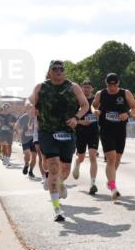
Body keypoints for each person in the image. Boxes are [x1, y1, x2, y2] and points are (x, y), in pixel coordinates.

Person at [28, 60, 89, 222]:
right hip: (47, 131)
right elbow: (29, 100)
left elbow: (84, 105)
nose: (59, 71)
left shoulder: (73, 87)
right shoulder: (41, 87)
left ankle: (60, 182)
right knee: (54, 167)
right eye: (55, 69)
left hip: (68, 132)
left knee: (65, 169)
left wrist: (77, 118)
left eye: (61, 69)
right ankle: (57, 209)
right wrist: (31, 107)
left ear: (65, 71)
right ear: (49, 71)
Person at [93, 73, 135, 201]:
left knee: (117, 159)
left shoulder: (126, 93)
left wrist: (128, 114)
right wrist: (94, 111)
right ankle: (113, 188)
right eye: (109, 85)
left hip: (120, 130)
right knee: (111, 159)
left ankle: (110, 180)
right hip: (106, 130)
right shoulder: (100, 94)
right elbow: (93, 105)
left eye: (114, 85)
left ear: (118, 83)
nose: (112, 87)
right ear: (106, 83)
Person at [72, 81, 100, 194]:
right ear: (81, 89)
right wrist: (82, 122)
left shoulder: (95, 101)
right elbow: (72, 119)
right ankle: (77, 164)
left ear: (92, 89)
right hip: (81, 132)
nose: (87, 89)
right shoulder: (77, 101)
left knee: (93, 157)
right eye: (85, 88)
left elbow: (100, 113)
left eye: (89, 87)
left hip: (93, 132)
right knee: (82, 157)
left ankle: (92, 183)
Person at [14, 107, 39, 177]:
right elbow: (16, 126)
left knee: (34, 157)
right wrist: (17, 131)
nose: (31, 110)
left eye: (33, 109)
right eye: (30, 109)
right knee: (27, 154)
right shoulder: (23, 117)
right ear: (27, 110)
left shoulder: (36, 116)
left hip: (35, 139)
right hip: (25, 139)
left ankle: (31, 171)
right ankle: (26, 164)